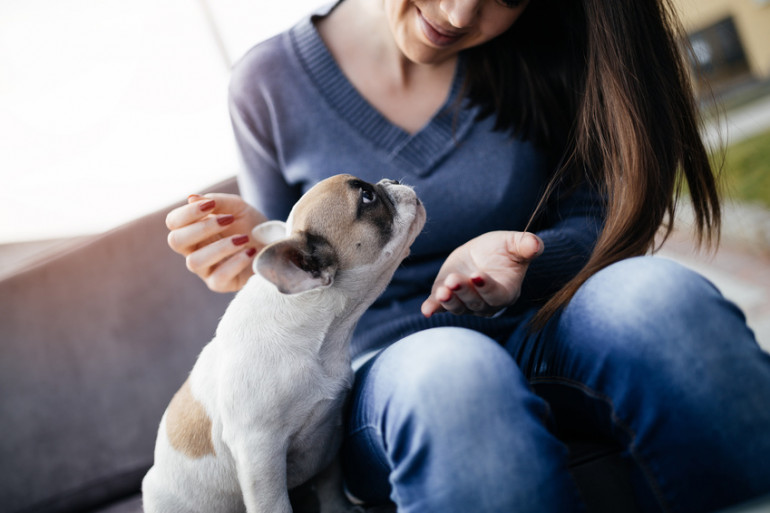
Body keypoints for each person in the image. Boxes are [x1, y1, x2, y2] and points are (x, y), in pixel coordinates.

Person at [165, 0, 770, 511]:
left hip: (552, 320)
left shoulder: (546, 39)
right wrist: (247, 253)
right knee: (454, 376)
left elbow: (600, 213)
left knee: (659, 300)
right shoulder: (268, 83)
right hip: (386, 372)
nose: (458, 14)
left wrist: (531, 257)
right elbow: (286, 289)